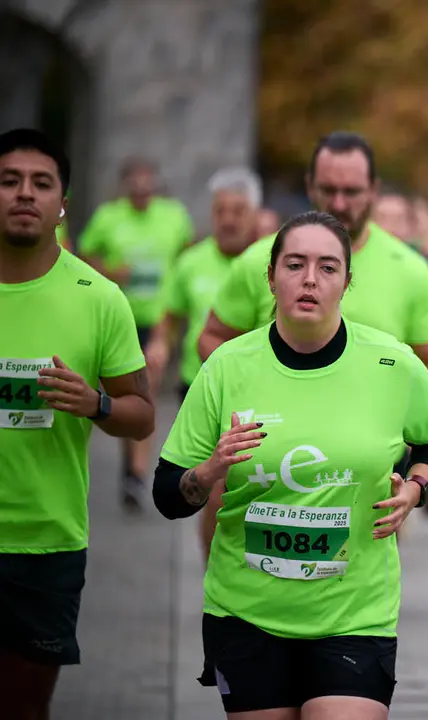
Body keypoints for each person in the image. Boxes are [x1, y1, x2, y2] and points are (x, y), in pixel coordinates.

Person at [151, 211, 428, 719]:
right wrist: (208, 472)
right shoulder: (227, 366)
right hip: (247, 613)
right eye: (295, 264)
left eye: (328, 267)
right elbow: (166, 494)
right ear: (270, 277)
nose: (310, 278)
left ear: (346, 282)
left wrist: (417, 488)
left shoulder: (392, 363)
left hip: (354, 616)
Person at [195, 132, 428, 558]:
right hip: (266, 440)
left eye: (351, 191)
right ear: (309, 186)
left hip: (360, 450)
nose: (338, 202)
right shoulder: (265, 259)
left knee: (349, 557)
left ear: (373, 191)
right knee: (224, 511)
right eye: (328, 190)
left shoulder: (410, 271)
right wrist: (242, 390)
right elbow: (211, 338)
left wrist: (403, 407)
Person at [0, 128, 156, 719]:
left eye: (41, 183)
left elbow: (142, 417)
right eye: (9, 181)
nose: (24, 194)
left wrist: (97, 404)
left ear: (62, 202)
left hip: (46, 542)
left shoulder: (99, 298)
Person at [144, 167, 261, 561]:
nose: (228, 219)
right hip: (199, 388)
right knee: (213, 487)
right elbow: (171, 317)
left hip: (257, 395)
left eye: (238, 210)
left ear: (255, 215)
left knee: (244, 485)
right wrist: (159, 345)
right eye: (220, 210)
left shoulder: (271, 265)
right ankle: (215, 565)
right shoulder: (191, 262)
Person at [77, 155, 193, 511]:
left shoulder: (173, 216)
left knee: (147, 391)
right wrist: (109, 271)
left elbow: (187, 257)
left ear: (155, 185)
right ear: (125, 186)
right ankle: (132, 467)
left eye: (148, 183)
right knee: (127, 396)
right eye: (136, 184)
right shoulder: (108, 218)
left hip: (158, 322)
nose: (142, 190)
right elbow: (83, 255)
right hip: (118, 321)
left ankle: (137, 474)